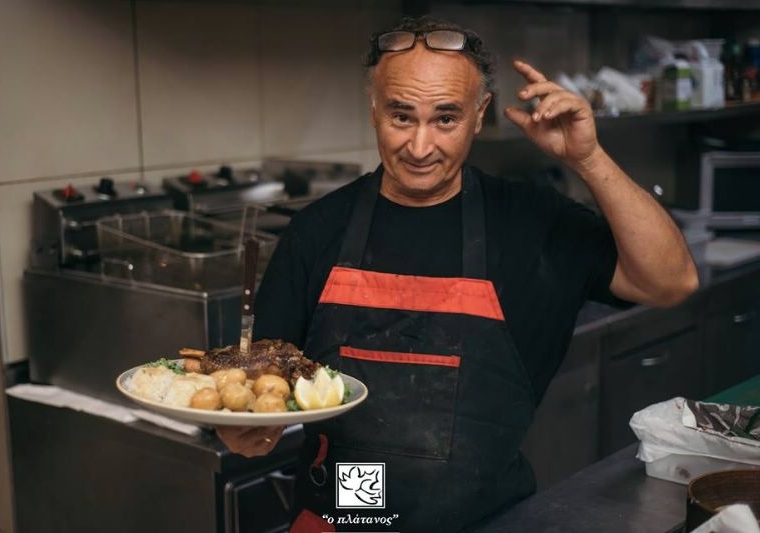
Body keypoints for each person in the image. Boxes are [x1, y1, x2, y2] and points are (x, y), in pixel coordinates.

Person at [217, 15, 698, 532]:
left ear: (479, 114)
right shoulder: (317, 230)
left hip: (486, 519)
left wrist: (589, 158)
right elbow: (261, 386)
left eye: (445, 118)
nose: (420, 147)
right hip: (347, 513)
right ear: (374, 109)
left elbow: (670, 282)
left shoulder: (532, 222)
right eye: (401, 116)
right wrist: (247, 426)